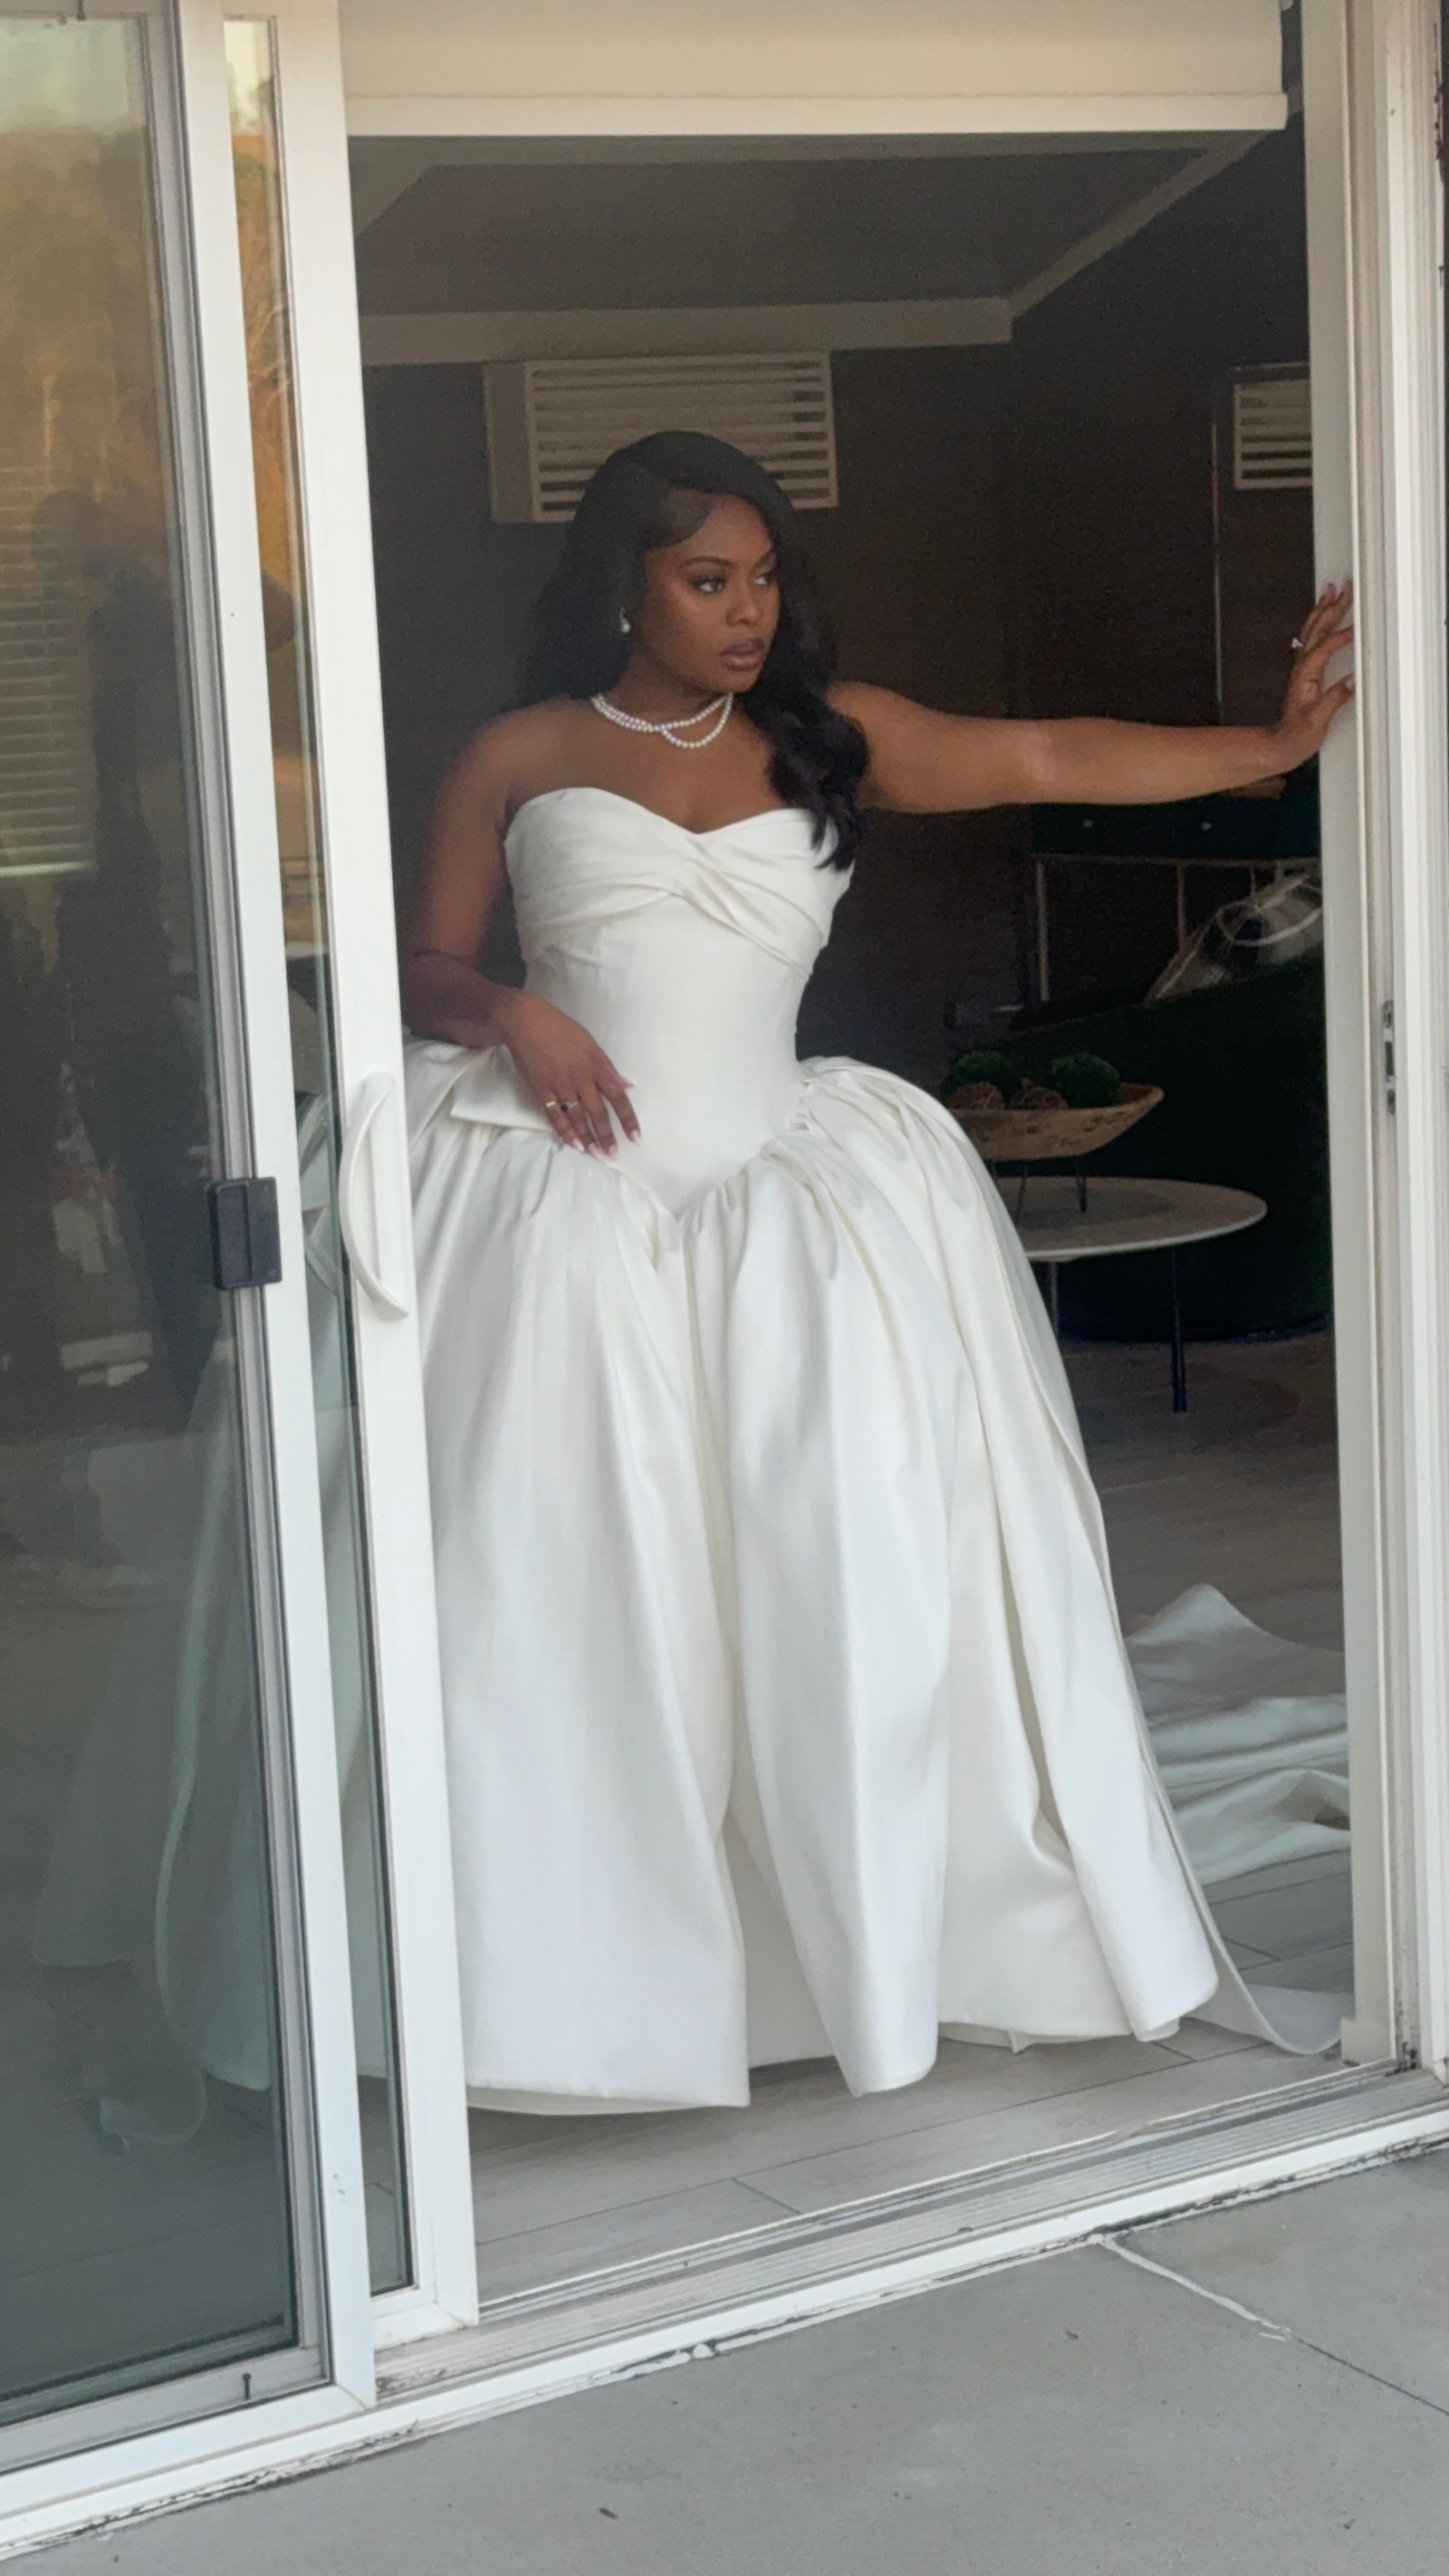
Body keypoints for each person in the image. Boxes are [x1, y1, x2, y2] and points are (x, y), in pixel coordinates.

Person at [401, 431, 1353, 2112]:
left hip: (786, 1207)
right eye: (709, 580)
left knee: (832, 1571)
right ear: (624, 586)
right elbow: (423, 964)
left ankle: (859, 1936)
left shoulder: (825, 736)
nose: (748, 612)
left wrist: (1271, 746)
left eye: (765, 578)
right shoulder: (521, 753)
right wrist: (512, 1013)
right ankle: (591, 1980)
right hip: (575, 1211)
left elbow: (1047, 752)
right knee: (575, 1583)